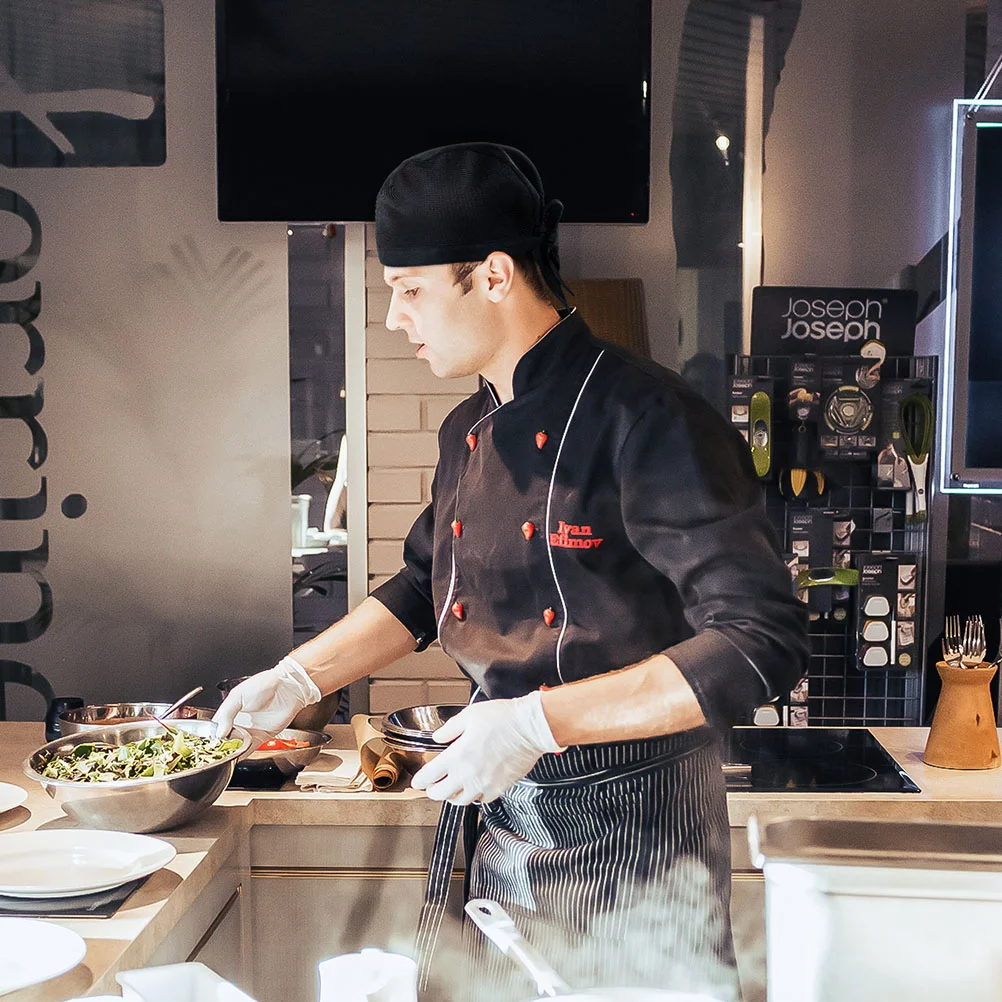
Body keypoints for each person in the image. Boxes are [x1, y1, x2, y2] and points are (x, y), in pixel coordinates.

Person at [214, 142, 808, 1002]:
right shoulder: (471, 424)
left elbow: (760, 642)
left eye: (409, 290)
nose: (394, 319)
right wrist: (298, 676)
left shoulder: (647, 418)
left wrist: (534, 723)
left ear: (493, 276)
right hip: (505, 824)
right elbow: (425, 586)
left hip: (635, 845)